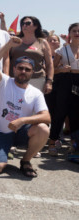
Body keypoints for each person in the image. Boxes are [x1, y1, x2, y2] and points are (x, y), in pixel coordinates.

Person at [0, 37, 50, 178]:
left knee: (43, 128)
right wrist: (8, 45)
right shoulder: (4, 81)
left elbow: (46, 117)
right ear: (14, 69)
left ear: (32, 72)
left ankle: (25, 161)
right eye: (20, 68)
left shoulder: (35, 93)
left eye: (27, 69)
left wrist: (23, 120)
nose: (23, 71)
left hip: (19, 133)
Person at [48, 23, 79, 156]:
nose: (77, 33)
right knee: (60, 112)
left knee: (76, 114)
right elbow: (52, 70)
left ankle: (74, 144)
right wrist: (61, 69)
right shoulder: (62, 50)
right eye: (74, 31)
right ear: (69, 33)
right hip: (65, 82)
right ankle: (52, 142)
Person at [9, 16, 53, 94]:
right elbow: (7, 59)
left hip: (37, 80)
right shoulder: (14, 40)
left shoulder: (43, 42)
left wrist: (49, 82)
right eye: (22, 23)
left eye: (28, 23)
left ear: (36, 26)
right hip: (15, 79)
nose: (24, 25)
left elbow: (49, 64)